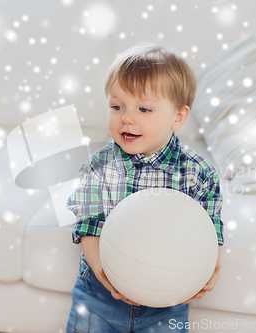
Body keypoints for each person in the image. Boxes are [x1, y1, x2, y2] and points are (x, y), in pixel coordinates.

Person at [65, 42, 224, 333]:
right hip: (99, 297)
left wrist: (209, 269)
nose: (127, 117)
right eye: (117, 106)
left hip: (166, 301)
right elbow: (88, 226)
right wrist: (105, 275)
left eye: (144, 108)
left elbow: (209, 230)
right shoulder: (98, 168)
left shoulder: (198, 173)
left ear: (178, 116)